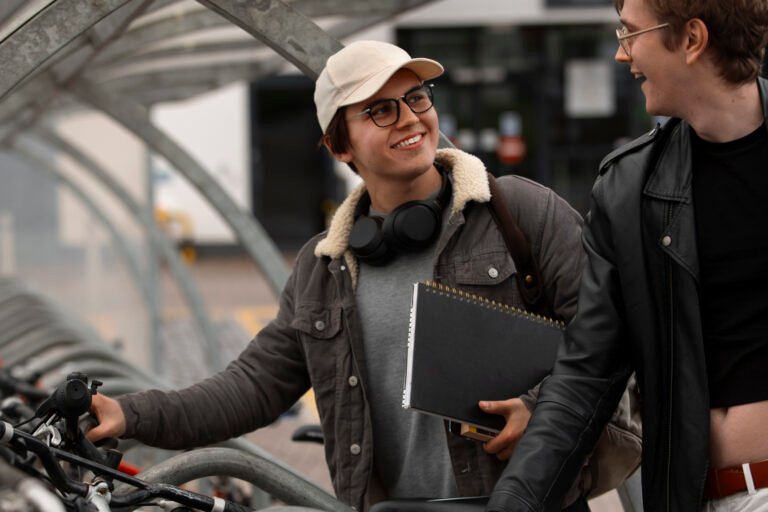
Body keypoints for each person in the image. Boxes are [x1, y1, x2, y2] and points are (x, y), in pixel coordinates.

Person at [87, 41, 587, 510]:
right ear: (339, 146)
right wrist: (130, 414)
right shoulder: (322, 268)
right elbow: (250, 388)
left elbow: (606, 342)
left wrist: (542, 411)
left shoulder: (522, 212)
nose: (410, 118)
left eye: (416, 98)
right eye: (381, 109)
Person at [486, 1, 768, 511]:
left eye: (632, 33)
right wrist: (513, 503)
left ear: (692, 39)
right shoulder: (627, 188)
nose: (621, 53)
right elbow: (586, 373)